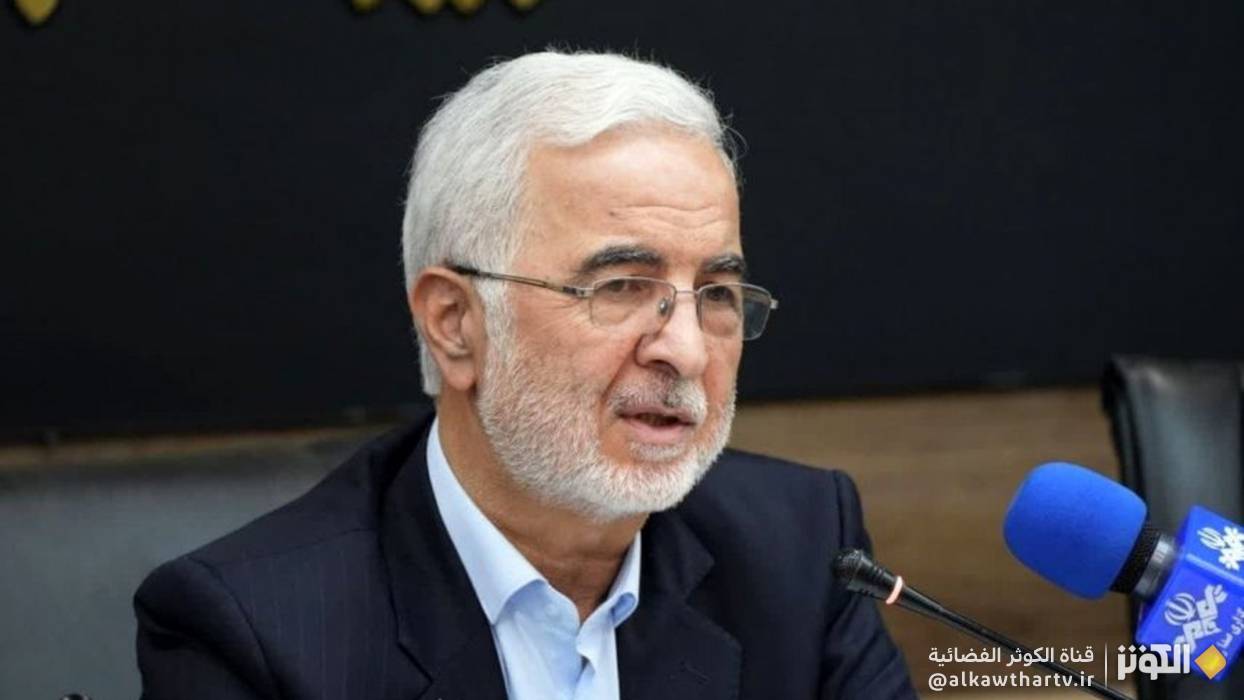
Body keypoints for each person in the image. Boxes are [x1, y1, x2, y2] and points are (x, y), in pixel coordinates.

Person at [135, 50, 918, 699]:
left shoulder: (801, 549)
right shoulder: (256, 634)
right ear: (455, 324)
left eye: (715, 293)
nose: (685, 351)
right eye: (621, 286)